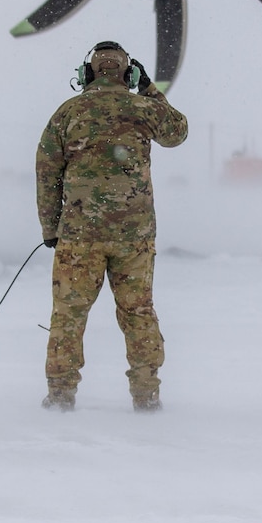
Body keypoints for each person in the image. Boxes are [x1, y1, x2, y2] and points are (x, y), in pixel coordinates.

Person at [34, 40, 188, 411]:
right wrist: (149, 89)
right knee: (138, 312)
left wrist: (50, 228)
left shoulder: (68, 112)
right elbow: (177, 132)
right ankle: (147, 395)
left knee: (68, 315)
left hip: (79, 235)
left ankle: (60, 396)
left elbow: (47, 172)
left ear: (86, 74)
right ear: (128, 74)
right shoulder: (143, 108)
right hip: (133, 237)